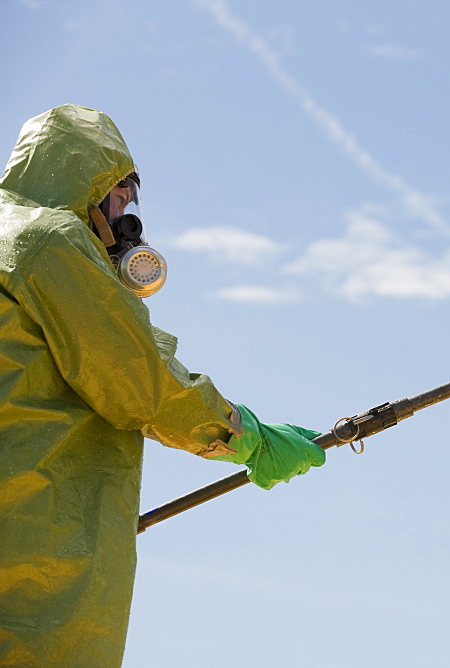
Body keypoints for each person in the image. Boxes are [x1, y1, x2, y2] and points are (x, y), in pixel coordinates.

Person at [0, 104, 326, 665]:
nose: (127, 217)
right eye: (120, 197)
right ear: (86, 182)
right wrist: (241, 435)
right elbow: (137, 378)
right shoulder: (50, 239)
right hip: (37, 535)